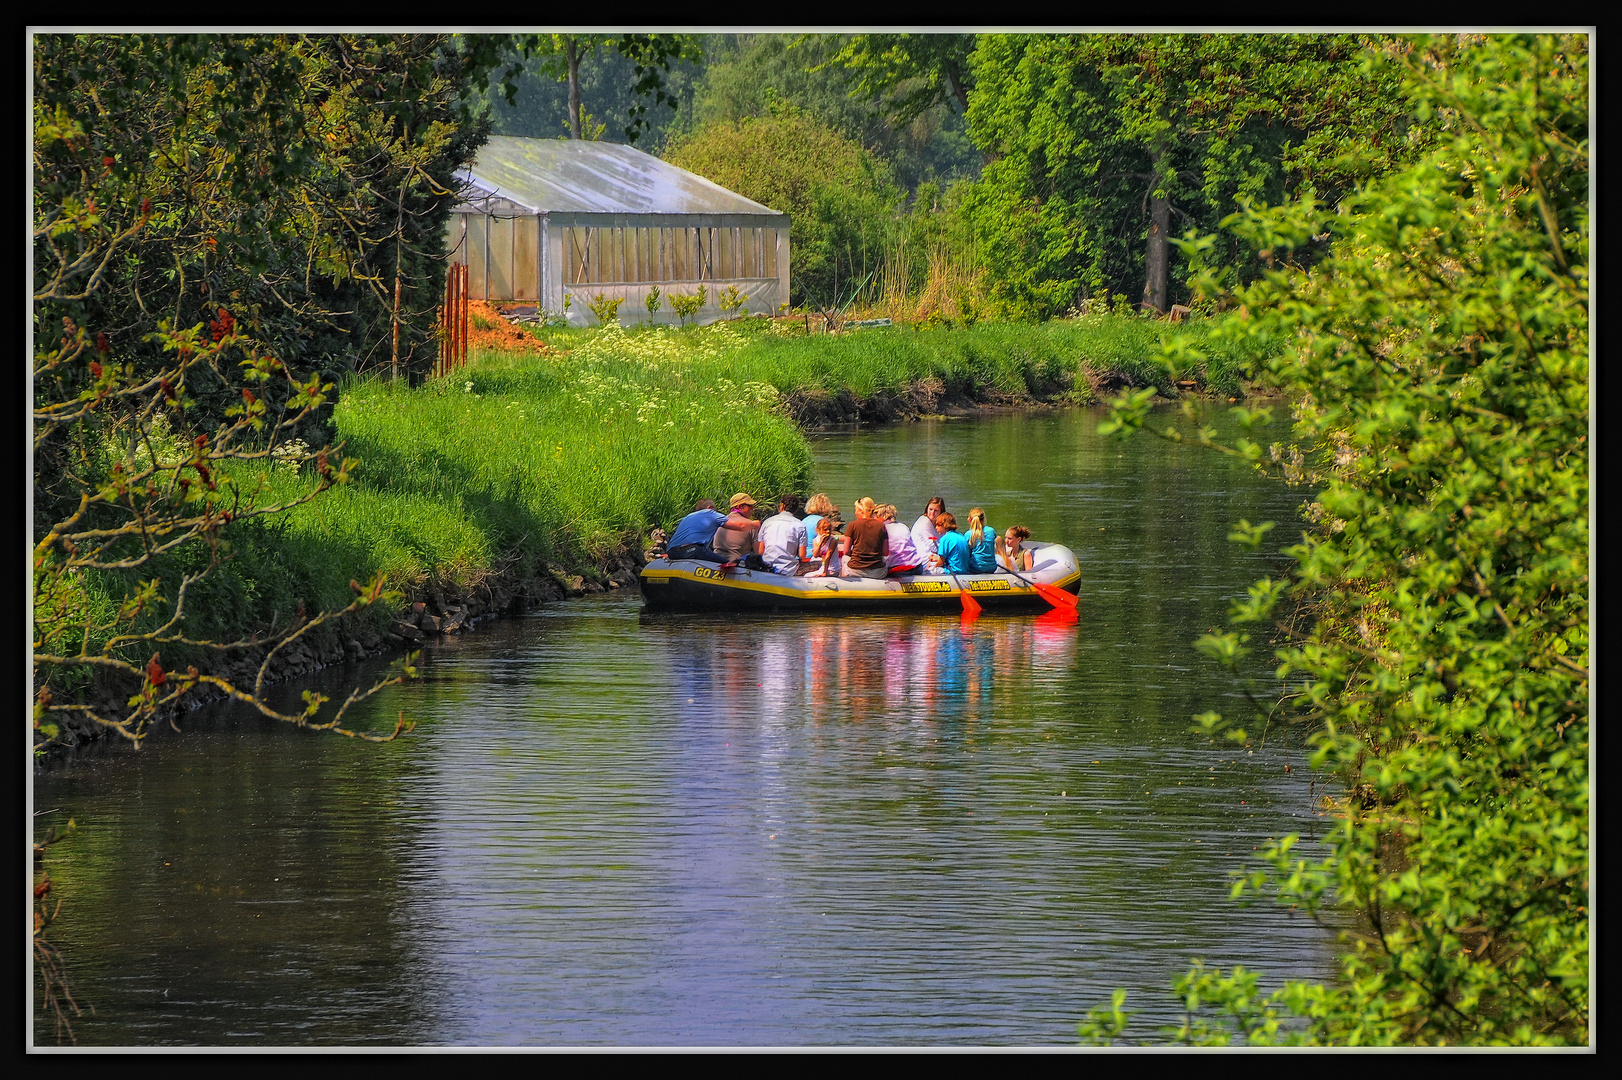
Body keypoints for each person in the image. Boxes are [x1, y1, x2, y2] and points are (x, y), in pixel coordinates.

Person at [666, 498, 753, 563]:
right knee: (728, 563)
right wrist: (755, 524)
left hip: (672, 553)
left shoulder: (687, 517)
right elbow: (739, 526)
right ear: (710, 507)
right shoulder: (710, 513)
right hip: (692, 550)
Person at [755, 494, 808, 575]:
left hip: (766, 566)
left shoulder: (768, 522)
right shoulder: (800, 525)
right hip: (789, 569)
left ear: (782, 506)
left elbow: (760, 551)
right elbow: (802, 555)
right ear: (795, 509)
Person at [839, 496, 890, 579]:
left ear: (861, 510)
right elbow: (885, 552)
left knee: (844, 558)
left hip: (855, 571)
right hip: (877, 572)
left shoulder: (853, 525)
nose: (855, 513)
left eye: (856, 509)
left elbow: (846, 551)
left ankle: (844, 582)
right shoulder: (881, 526)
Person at [711, 493, 762, 563]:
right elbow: (759, 552)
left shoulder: (719, 521)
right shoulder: (751, 525)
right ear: (740, 506)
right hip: (736, 567)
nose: (752, 508)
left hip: (714, 563)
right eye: (750, 506)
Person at [877, 504, 923, 576]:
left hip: (898, 569)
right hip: (917, 566)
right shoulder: (903, 526)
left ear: (882, 516)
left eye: (876, 516)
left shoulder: (882, 529)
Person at [912, 497, 945, 567]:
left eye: (936, 510)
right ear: (927, 509)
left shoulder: (939, 524)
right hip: (923, 560)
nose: (932, 513)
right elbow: (933, 546)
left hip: (933, 557)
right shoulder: (924, 522)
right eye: (930, 509)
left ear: (941, 512)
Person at [965, 508, 998, 574]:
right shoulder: (991, 531)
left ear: (969, 520)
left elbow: (966, 553)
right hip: (992, 567)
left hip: (975, 567)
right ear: (984, 519)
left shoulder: (968, 534)